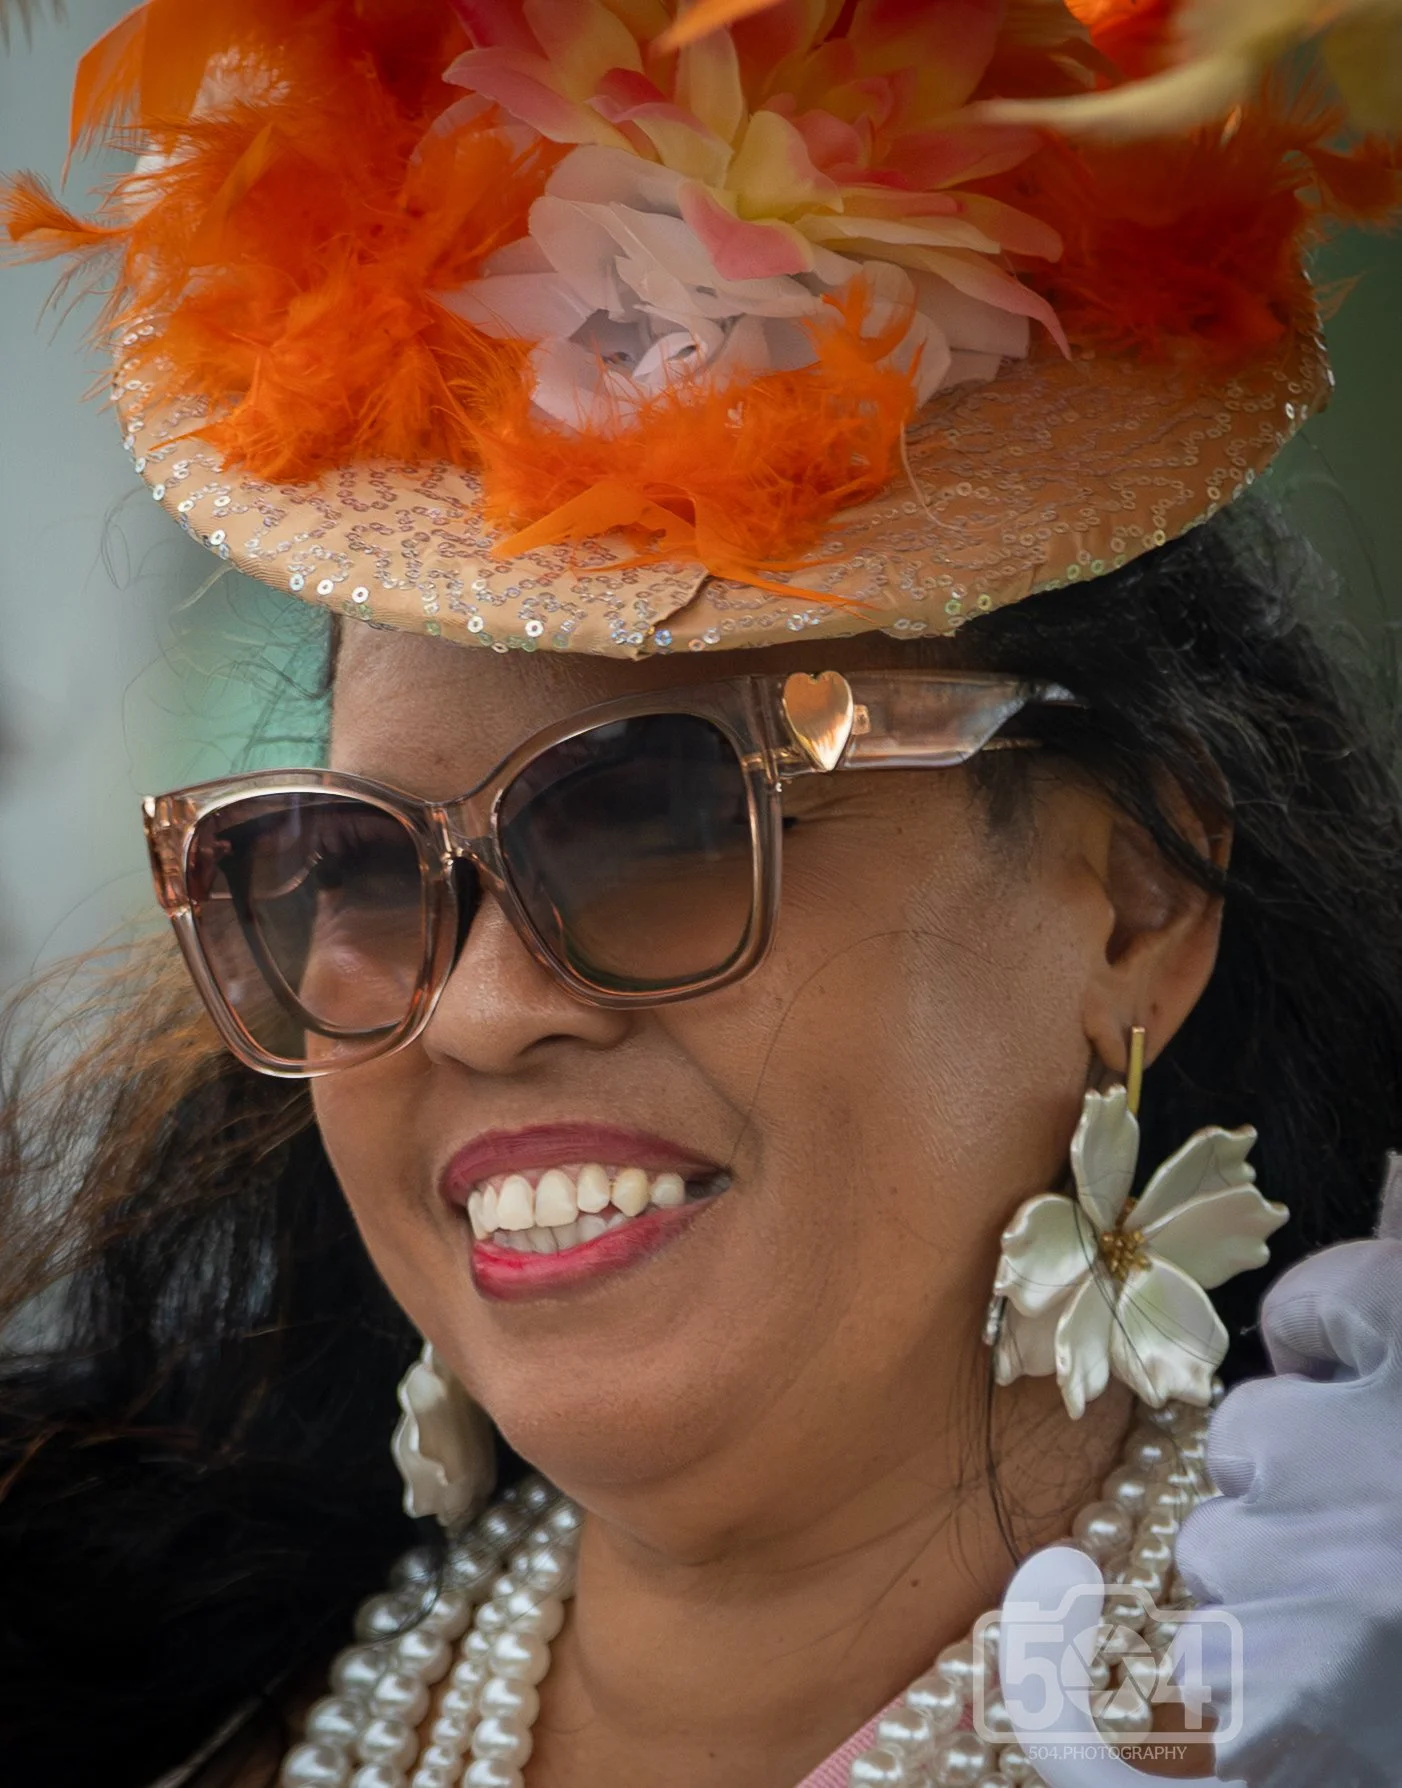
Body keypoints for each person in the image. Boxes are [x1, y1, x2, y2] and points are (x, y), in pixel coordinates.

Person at [2, 4, 1402, 1787]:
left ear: (1130, 895)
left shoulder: (1320, 1712)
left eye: (652, 819)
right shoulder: (123, 1698)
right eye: (347, 864)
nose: (480, 1009)